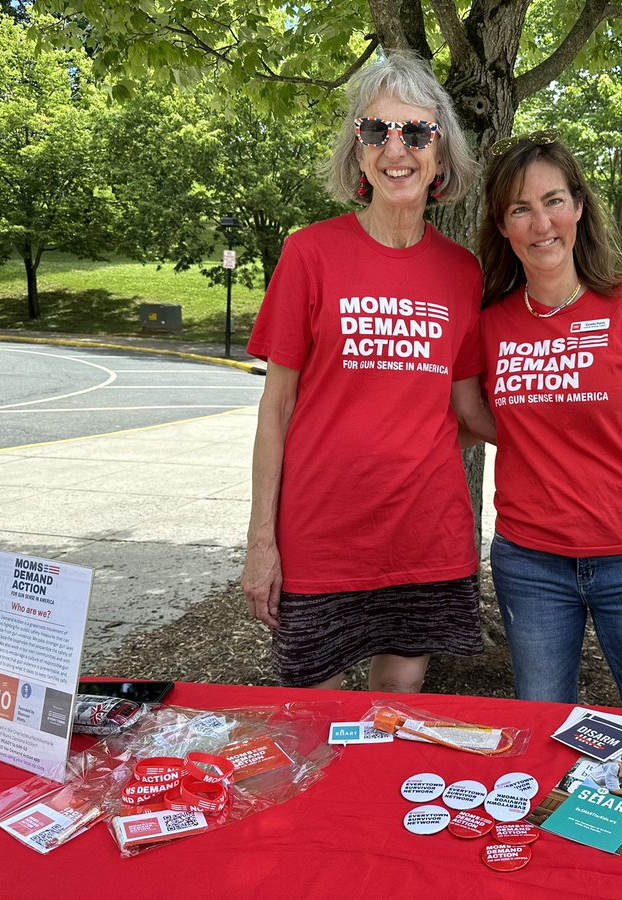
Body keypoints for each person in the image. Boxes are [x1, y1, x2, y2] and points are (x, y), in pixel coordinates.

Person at [241, 51, 492, 693]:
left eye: (416, 131)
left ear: (440, 154)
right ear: (358, 151)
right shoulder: (309, 254)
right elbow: (277, 409)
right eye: (376, 131)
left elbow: (466, 413)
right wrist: (260, 542)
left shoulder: (462, 273)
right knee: (309, 728)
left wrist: (578, 426)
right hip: (320, 539)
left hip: (424, 539)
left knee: (393, 714)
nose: (396, 148)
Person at [477, 133, 622, 710]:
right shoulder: (491, 325)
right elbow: (465, 407)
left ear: (579, 206)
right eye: (519, 209)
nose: (540, 223)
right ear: (503, 227)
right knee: (541, 715)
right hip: (530, 562)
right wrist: (532, 438)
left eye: (553, 201)